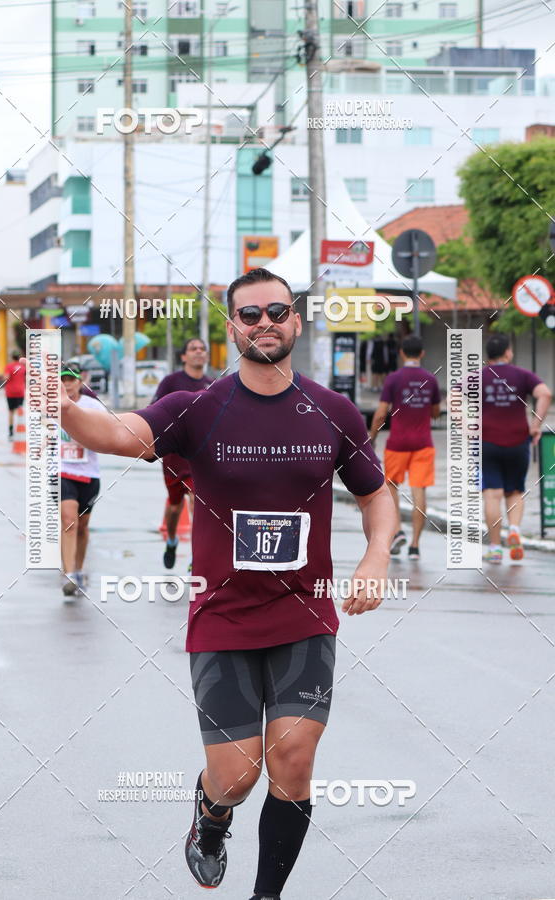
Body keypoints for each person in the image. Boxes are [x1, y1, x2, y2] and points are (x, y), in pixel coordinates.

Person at [55, 267, 396, 900]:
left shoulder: (333, 411)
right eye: (249, 314)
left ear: (295, 319)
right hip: (222, 619)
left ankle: (265, 896)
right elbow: (115, 432)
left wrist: (376, 558)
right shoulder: (197, 409)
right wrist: (71, 412)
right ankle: (210, 820)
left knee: (292, 764)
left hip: (306, 614)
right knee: (237, 776)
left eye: (276, 311)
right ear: (231, 326)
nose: (264, 322)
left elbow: (377, 495)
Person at [369, 335, 441, 560]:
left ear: (401, 353)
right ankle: (415, 546)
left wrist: (372, 436)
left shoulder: (393, 379)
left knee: (391, 489)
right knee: (419, 491)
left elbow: (381, 413)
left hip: (397, 444)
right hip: (423, 445)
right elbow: (436, 412)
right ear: (422, 354)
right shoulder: (430, 379)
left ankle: (398, 530)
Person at [481, 333, 552, 563]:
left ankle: (494, 548)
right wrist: (535, 424)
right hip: (518, 441)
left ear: (488, 355)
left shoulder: (480, 376)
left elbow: (454, 398)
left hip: (488, 442)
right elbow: (545, 393)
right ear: (508, 352)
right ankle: (514, 530)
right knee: (514, 491)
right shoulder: (522, 375)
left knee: (492, 495)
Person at [151, 337, 212, 569]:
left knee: (199, 501)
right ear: (184, 356)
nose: (198, 352)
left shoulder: (212, 384)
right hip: (175, 455)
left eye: (202, 348)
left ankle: (197, 556)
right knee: (175, 506)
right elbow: (155, 411)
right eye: (193, 348)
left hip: (200, 456)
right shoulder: (171, 382)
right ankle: (172, 541)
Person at [59, 361, 102, 599]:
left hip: (89, 474)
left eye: (71, 379)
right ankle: (69, 575)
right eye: (63, 380)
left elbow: (108, 432)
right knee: (69, 520)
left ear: (80, 381)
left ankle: (78, 568)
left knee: (83, 527)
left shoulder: (93, 406)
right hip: (61, 471)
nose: (67, 384)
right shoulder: (51, 405)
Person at [2, 350, 26, 440]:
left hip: (10, 392)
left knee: (11, 412)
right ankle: (20, 427)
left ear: (12, 357)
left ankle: (11, 431)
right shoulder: (23, 367)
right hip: (20, 391)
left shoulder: (9, 366)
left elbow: (6, 378)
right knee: (19, 410)